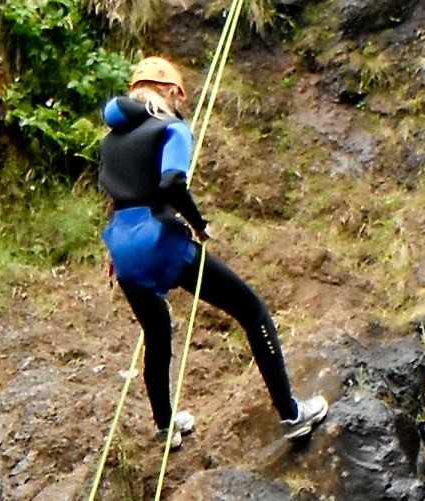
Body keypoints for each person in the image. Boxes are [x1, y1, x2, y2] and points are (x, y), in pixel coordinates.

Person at [96, 56, 328, 449]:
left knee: (156, 332)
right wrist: (199, 224)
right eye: (179, 96)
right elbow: (171, 183)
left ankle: (166, 427)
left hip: (122, 247)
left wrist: (116, 253)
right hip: (160, 241)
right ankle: (292, 415)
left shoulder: (110, 142)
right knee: (252, 311)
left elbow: (120, 195)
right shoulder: (172, 129)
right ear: (170, 92)